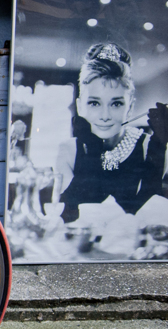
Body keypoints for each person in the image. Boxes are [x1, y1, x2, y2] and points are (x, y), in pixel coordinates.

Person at [55, 43, 168, 224]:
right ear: (79, 106)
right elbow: (74, 212)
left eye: (116, 104)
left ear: (130, 107)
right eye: (94, 103)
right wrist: (92, 147)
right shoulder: (68, 150)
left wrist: (159, 148)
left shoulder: (150, 147)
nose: (105, 116)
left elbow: (150, 214)